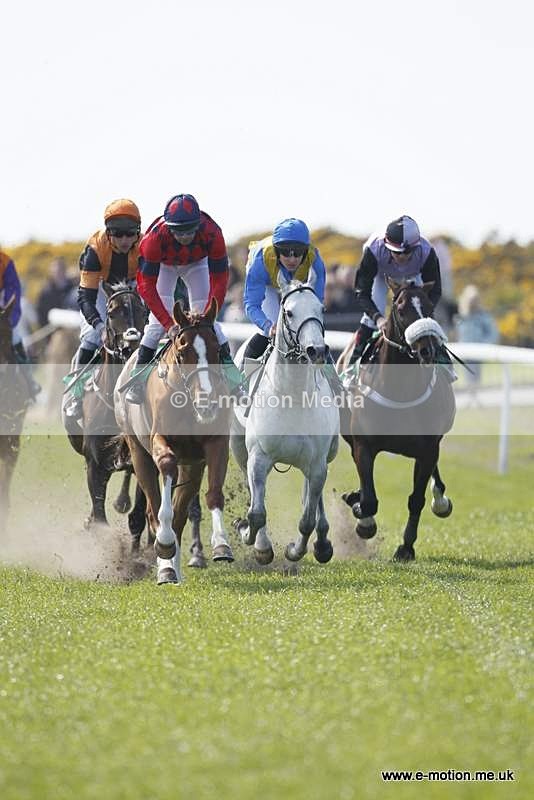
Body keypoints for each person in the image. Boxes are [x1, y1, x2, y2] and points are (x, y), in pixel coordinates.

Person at [125, 193, 244, 404]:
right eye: (178, 231)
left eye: (190, 230)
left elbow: (219, 279)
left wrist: (209, 314)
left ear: (198, 225)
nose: (185, 236)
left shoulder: (213, 233)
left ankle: (235, 381)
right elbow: (146, 287)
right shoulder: (153, 239)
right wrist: (169, 324)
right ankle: (137, 380)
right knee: (155, 326)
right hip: (164, 265)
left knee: (211, 325)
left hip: (197, 263)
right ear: (169, 227)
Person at [65, 199, 142, 419]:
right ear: (108, 233)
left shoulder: (144, 246)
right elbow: (85, 297)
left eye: (130, 234)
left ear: (138, 232)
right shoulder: (95, 249)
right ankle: (76, 394)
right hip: (100, 288)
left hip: (133, 286)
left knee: (149, 333)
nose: (125, 240)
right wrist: (99, 326)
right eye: (118, 234)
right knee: (90, 338)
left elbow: (150, 285)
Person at [348, 215, 452, 374]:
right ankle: (352, 367)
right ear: (387, 246)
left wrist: (425, 315)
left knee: (423, 317)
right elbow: (361, 292)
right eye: (397, 253)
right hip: (382, 276)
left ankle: (443, 362)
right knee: (370, 318)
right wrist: (378, 318)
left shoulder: (427, 252)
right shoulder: (373, 250)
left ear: (416, 247)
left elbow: (435, 290)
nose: (402, 257)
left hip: (414, 275)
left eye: (407, 252)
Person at [243, 218, 326, 359]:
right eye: (286, 252)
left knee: (314, 336)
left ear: (306, 252)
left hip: (299, 287)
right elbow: (251, 305)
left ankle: (332, 378)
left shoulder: (315, 261)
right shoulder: (260, 260)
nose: (292, 259)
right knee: (269, 332)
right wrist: (268, 326)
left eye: (298, 252)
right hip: (269, 285)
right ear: (276, 251)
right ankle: (240, 378)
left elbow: (316, 304)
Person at [0, 249, 41, 398]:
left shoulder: (5, 262)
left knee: (16, 339)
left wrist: (8, 321)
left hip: (2, 315)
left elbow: (13, 293)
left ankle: (30, 383)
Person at [455, 284, 499, 402]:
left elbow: (493, 333)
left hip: (478, 350)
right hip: (464, 351)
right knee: (467, 374)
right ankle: (472, 397)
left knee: (475, 375)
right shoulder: (461, 316)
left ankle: (474, 397)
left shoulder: (483, 316)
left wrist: (485, 345)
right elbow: (456, 332)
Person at [36, 257, 76, 328]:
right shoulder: (46, 292)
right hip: (53, 326)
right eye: (55, 271)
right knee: (54, 313)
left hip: (73, 322)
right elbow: (42, 315)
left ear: (64, 270)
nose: (58, 273)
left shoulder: (73, 287)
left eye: (60, 270)